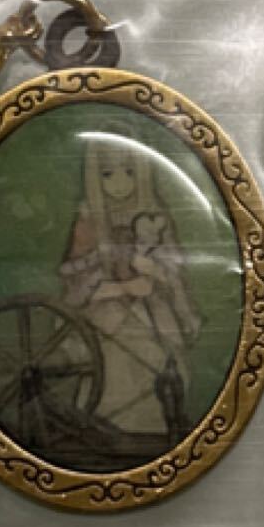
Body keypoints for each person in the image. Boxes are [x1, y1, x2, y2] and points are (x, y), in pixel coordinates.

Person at [58, 126, 201, 446]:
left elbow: (174, 269)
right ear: (95, 177)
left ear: (143, 172)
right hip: (105, 309)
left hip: (151, 303)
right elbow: (76, 280)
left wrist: (155, 272)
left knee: (164, 357)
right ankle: (108, 429)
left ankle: (157, 430)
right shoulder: (89, 220)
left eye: (129, 171)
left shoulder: (156, 216)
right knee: (122, 358)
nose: (120, 182)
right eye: (108, 174)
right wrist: (123, 289)